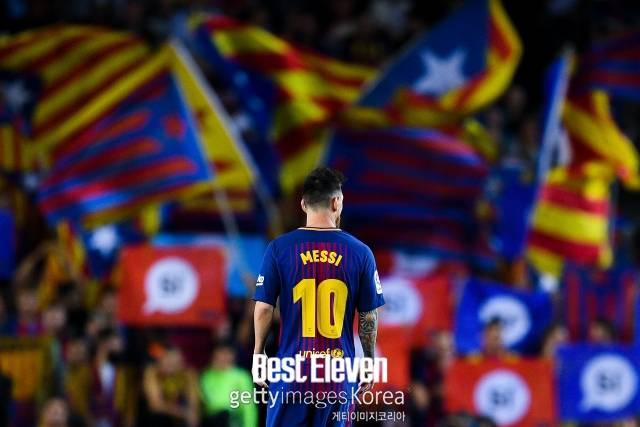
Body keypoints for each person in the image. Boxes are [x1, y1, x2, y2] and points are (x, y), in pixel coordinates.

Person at [253, 167, 385, 427]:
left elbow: (264, 308)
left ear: (303, 204)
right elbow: (369, 315)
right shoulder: (361, 253)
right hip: (337, 376)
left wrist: (259, 353)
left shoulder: (279, 248)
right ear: (336, 203)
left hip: (291, 373)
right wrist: (369, 361)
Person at [200, 340, 257, 427]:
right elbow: (207, 402)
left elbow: (249, 408)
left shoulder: (241, 376)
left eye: (227, 354)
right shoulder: (207, 376)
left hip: (232, 418)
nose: (224, 358)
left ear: (233, 356)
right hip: (211, 420)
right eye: (221, 354)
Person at [142, 346, 199, 427]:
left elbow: (193, 401)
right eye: (168, 361)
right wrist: (184, 413)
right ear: (160, 360)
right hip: (161, 415)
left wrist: (192, 414)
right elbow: (155, 404)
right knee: (158, 416)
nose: (171, 365)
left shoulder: (188, 373)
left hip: (179, 410)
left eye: (175, 362)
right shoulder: (152, 372)